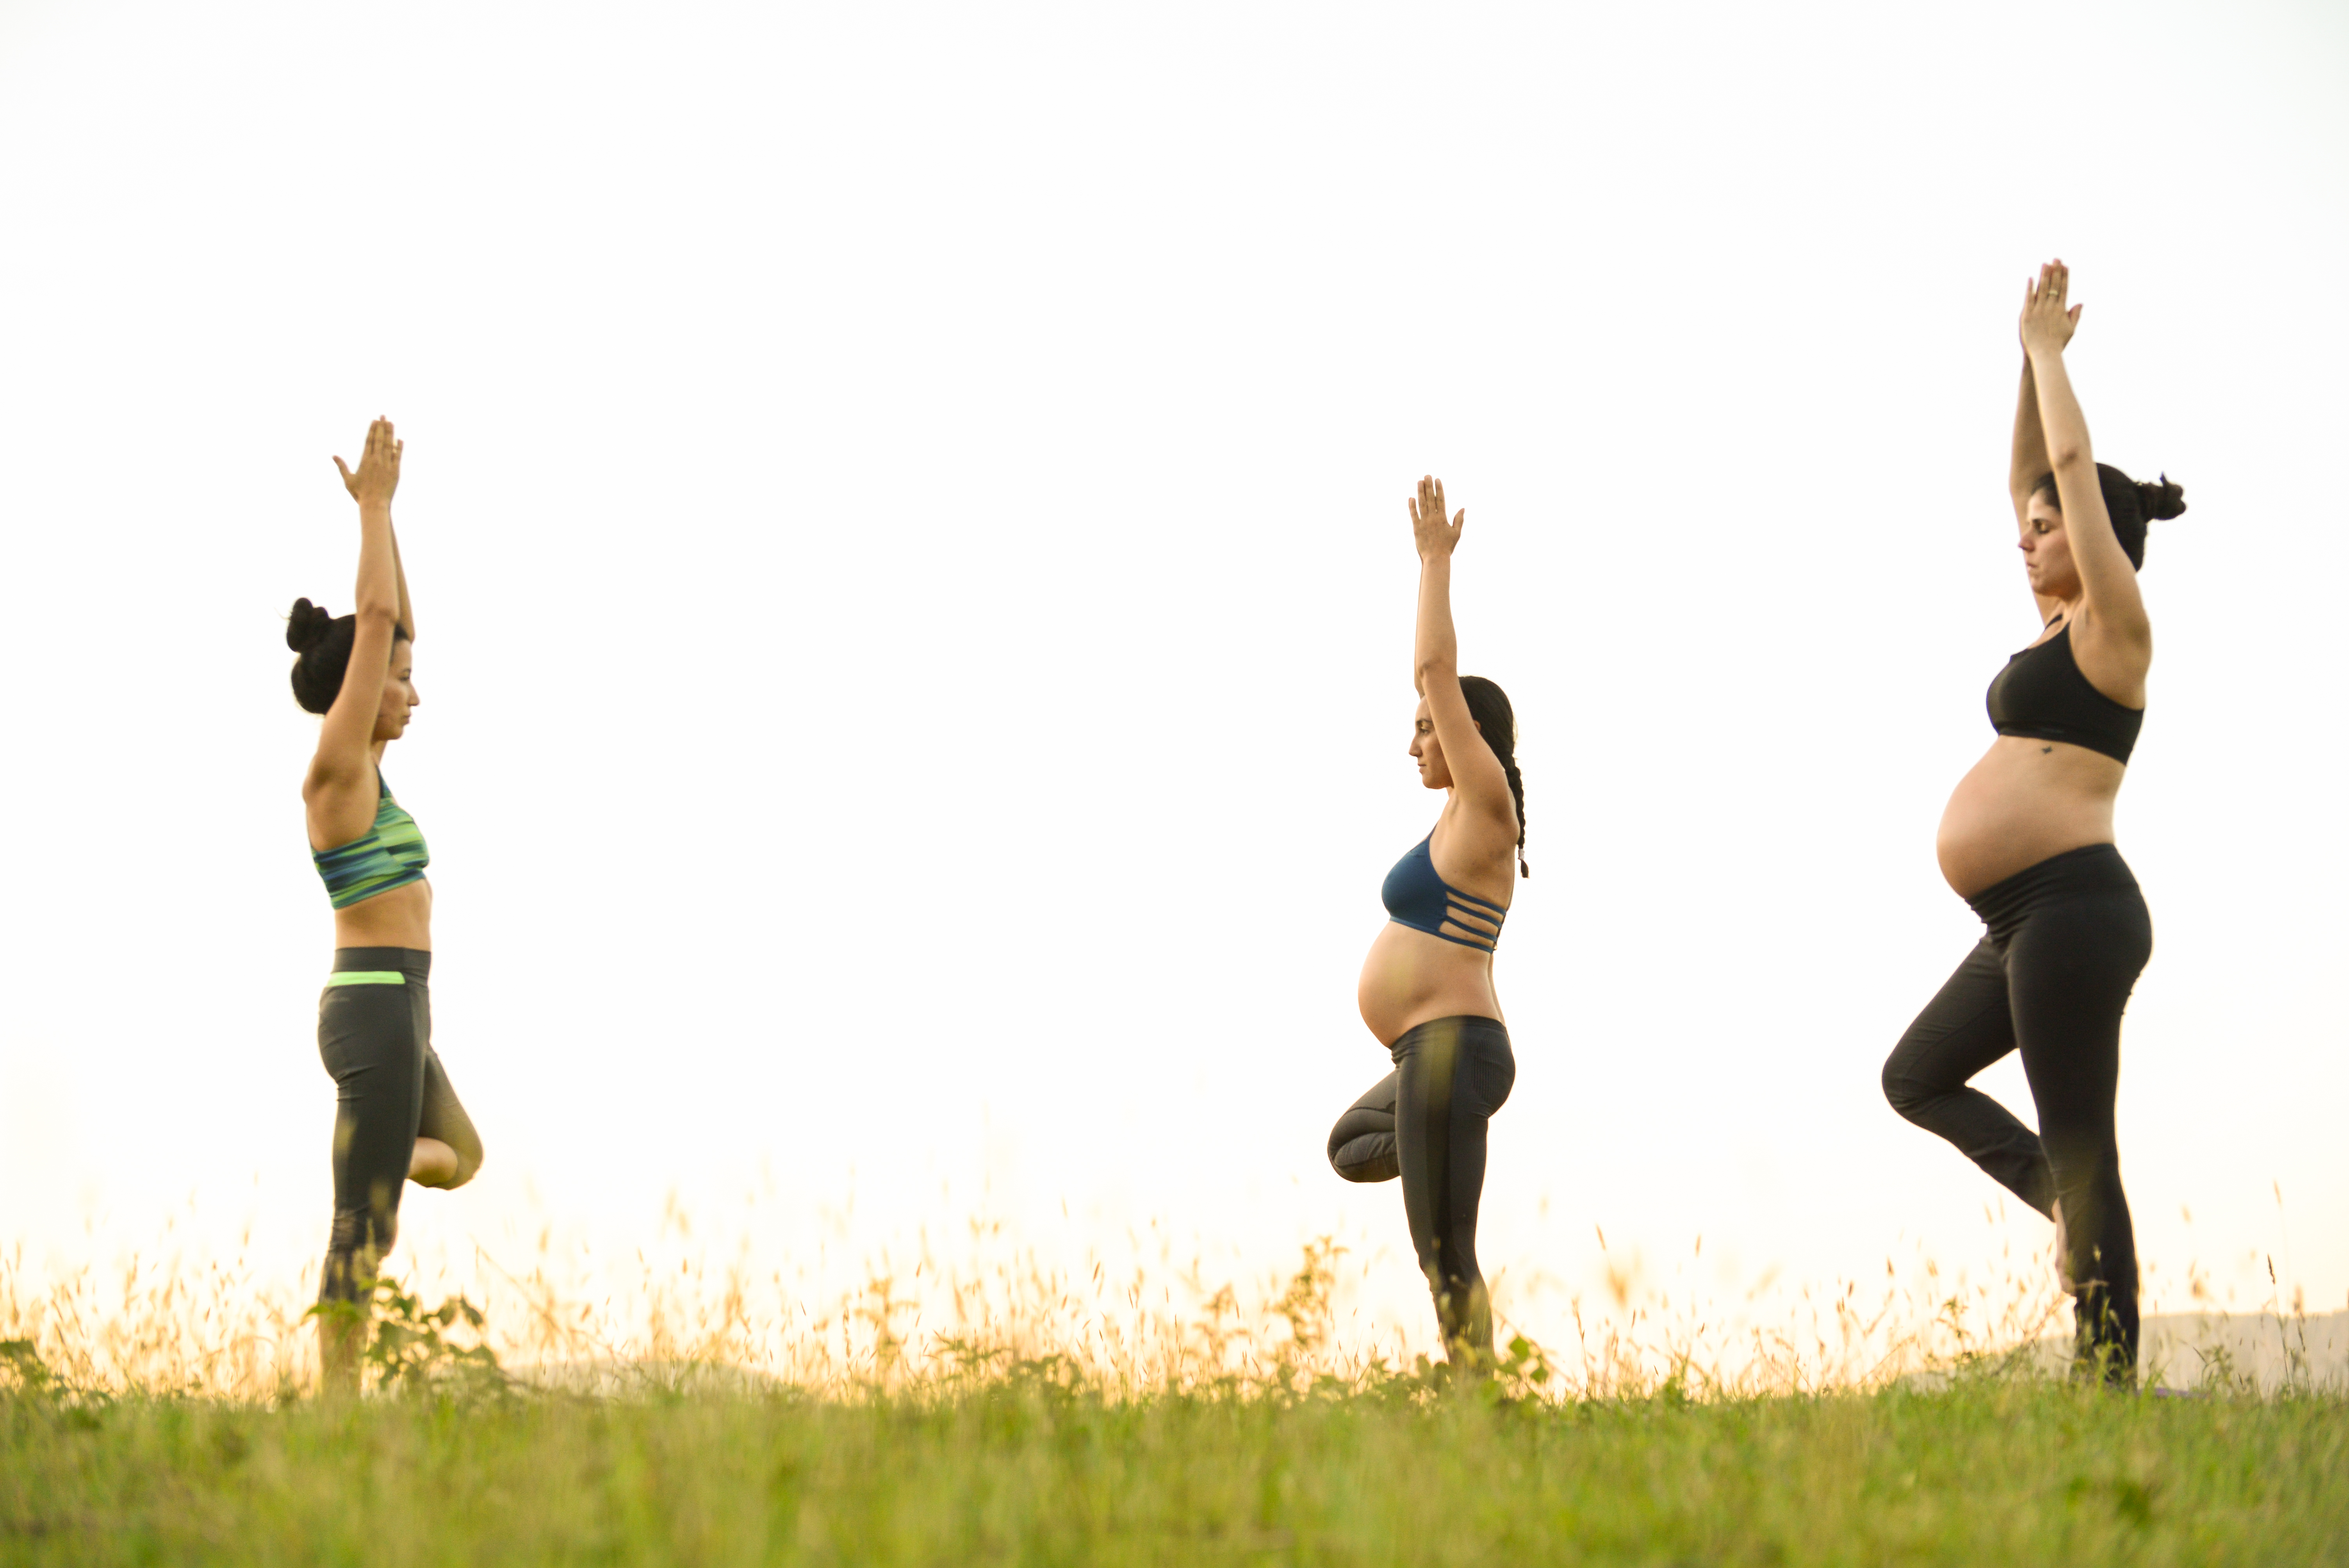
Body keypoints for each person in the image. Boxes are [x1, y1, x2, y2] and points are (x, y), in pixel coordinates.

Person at [1881, 263, 2186, 1386]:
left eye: (2050, 527)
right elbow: (2032, 471)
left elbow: (2062, 466)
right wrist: (2022, 359)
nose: (2027, 534)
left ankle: (2105, 1389)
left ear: (2095, 536)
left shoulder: (2115, 625)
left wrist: (2053, 355)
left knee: (2088, 1145)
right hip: (2017, 921)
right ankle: (2052, 1197)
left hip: (2073, 910)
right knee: (1914, 1076)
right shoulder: (2055, 620)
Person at [287, 417, 483, 1391]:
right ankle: (336, 1407)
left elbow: (393, 625)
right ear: (358, 696)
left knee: (461, 1155)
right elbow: (375, 628)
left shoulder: (375, 777)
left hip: (405, 1002)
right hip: (369, 1001)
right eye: (398, 683)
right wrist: (370, 509)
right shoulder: (335, 768)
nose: (413, 692)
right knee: (362, 1223)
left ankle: (383, 1147)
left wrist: (390, 522)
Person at [1326, 476, 1529, 1376]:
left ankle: (1478, 1406)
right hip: (1421, 1059)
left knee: (1442, 1250)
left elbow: (1436, 671)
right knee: (1348, 1148)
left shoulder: (1485, 809)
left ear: (1468, 735)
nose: (1414, 743)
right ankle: (1438, 1154)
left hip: (1454, 1046)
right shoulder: (1447, 822)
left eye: (1425, 730)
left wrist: (1432, 564)